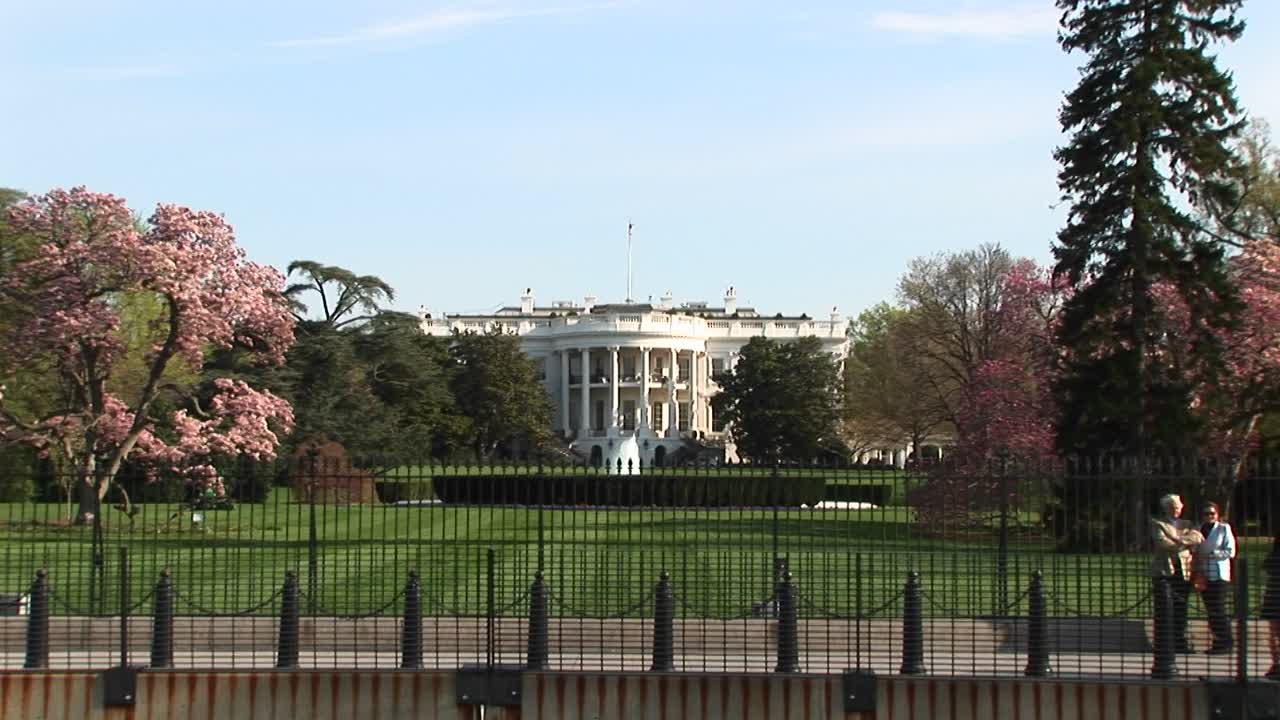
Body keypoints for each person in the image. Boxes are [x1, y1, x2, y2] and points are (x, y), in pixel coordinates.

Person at [1151, 493, 1203, 653]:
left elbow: (1198, 538)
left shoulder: (1187, 523)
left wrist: (1178, 540)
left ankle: (1180, 641)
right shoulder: (1158, 524)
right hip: (1165, 570)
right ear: (1166, 508)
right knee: (1164, 608)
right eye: (1173, 508)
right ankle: (1163, 643)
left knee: (1181, 607)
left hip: (1183, 571)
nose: (1176, 510)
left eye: (1179, 508)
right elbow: (1163, 543)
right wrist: (1185, 542)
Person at [1194, 502, 1236, 655]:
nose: (1209, 516)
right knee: (1211, 610)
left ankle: (1226, 641)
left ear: (1218, 515)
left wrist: (1212, 555)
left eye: (1212, 513)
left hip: (1219, 574)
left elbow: (1230, 551)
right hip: (1204, 574)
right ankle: (1217, 641)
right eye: (1206, 513)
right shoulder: (1198, 529)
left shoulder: (1224, 528)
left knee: (1218, 609)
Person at [1262, 537, 1280, 679]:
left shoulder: (1274, 554)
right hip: (1274, 595)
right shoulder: (1275, 554)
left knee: (1274, 632)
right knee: (1274, 632)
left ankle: (1276, 664)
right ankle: (1276, 664)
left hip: (1273, 594)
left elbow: (1266, 568)